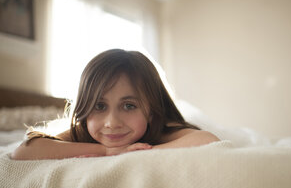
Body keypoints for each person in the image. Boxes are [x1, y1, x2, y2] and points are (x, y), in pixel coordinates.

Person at [11, 49, 219, 160]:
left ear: (151, 111)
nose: (111, 122)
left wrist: (143, 152)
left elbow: (207, 140)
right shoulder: (82, 132)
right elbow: (24, 152)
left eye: (129, 106)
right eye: (99, 106)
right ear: (85, 108)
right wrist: (107, 152)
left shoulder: (159, 128)